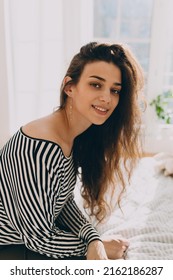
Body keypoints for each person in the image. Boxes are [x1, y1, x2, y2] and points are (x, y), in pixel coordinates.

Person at [0, 42, 144, 260]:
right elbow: (38, 237)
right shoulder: (38, 148)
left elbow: (61, 201)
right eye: (96, 85)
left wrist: (92, 238)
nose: (107, 97)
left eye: (115, 90)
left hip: (27, 241)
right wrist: (95, 247)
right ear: (69, 87)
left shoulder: (74, 135)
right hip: (10, 246)